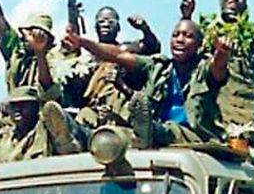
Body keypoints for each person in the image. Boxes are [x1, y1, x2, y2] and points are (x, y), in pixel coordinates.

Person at [63, 19, 229, 146]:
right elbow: (117, 55)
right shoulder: (158, 67)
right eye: (175, 35)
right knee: (115, 138)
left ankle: (149, 129)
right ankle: (79, 134)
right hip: (150, 133)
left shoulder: (204, 69)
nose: (180, 39)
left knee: (168, 129)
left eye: (188, 36)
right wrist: (82, 42)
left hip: (193, 137)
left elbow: (218, 67)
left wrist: (221, 53)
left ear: (199, 45)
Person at [181, 0, 254, 141]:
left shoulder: (251, 36)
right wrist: (186, 16)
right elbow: (185, 52)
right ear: (221, 1)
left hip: (240, 114)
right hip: (207, 113)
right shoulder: (205, 32)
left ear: (245, 6)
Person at [0, 86, 81, 167]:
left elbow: (66, 148)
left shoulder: (47, 130)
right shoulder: (3, 138)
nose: (17, 109)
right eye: (13, 106)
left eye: (24, 105)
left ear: (36, 107)